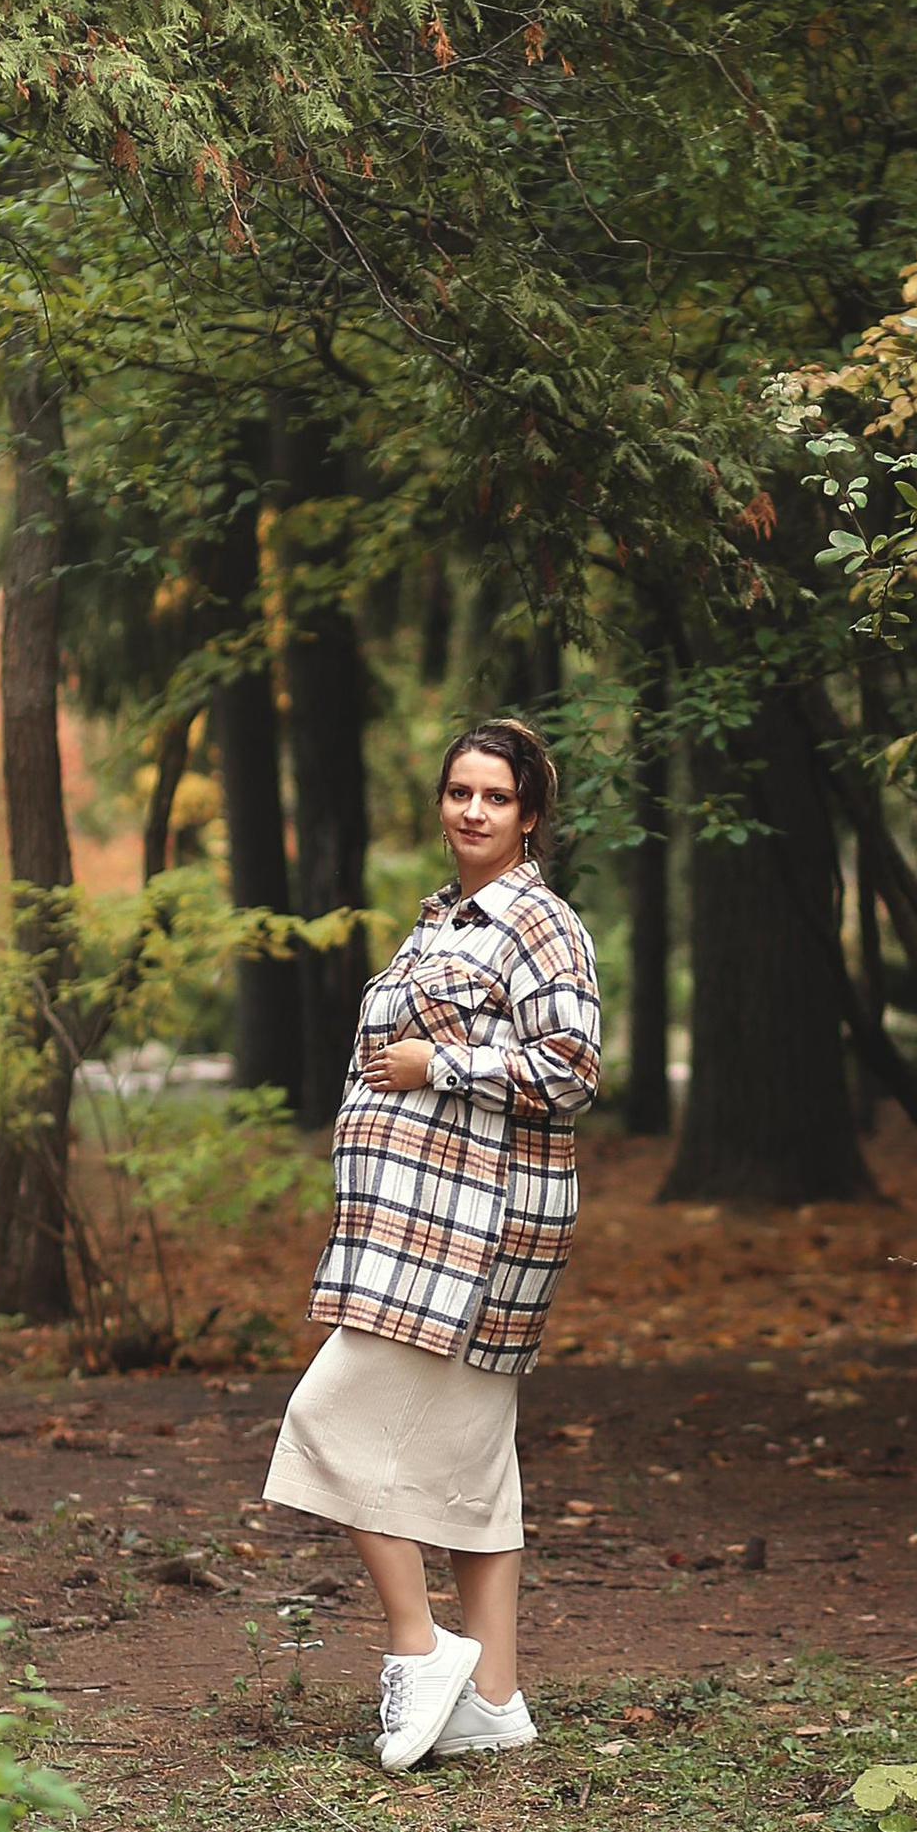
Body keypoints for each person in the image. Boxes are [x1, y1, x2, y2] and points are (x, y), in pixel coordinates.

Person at [262, 718, 602, 1769]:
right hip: (410, 1228)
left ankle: (419, 1648)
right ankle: (493, 1699)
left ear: (529, 815)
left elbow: (571, 1070)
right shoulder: (439, 926)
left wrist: (444, 1069)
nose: (472, 811)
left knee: (324, 1421)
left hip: (471, 1234)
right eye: (459, 791)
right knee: (473, 1471)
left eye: (495, 797)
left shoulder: (541, 926)